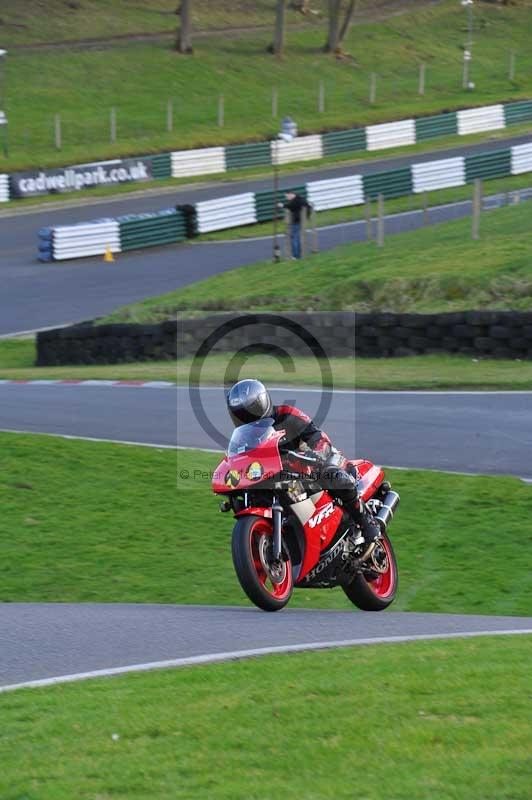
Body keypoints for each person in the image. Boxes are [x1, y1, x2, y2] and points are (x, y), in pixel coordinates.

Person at [226, 378, 381, 548]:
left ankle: (366, 521)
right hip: (276, 478)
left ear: (262, 403)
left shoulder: (286, 414)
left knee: (332, 472)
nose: (247, 418)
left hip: (308, 464)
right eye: (240, 414)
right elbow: (237, 461)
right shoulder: (243, 438)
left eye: (250, 411)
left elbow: (315, 435)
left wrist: (318, 453)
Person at [281, 191, 312, 259]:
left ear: (291, 194)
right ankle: (297, 254)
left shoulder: (296, 201)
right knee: (295, 237)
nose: (286, 198)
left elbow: (291, 206)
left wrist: (282, 205)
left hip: (296, 221)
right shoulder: (300, 199)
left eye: (287, 196)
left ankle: (296, 255)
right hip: (298, 221)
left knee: (295, 238)